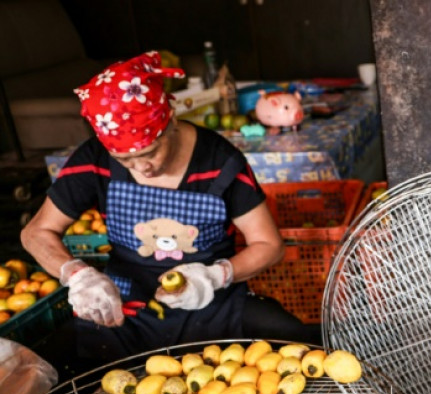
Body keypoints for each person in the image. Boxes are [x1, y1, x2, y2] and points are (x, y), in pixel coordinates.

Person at [21, 51, 319, 363]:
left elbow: (270, 245)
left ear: (171, 120)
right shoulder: (94, 158)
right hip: (126, 309)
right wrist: (78, 275)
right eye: (125, 160)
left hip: (212, 304)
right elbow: (36, 232)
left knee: (294, 339)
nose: (142, 167)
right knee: (50, 360)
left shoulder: (220, 160)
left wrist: (216, 275)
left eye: (150, 152)